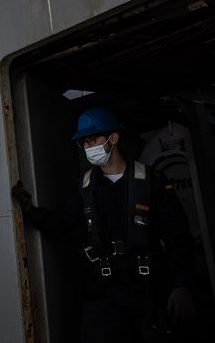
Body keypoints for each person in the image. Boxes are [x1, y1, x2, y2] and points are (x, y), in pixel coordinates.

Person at [12, 108, 195, 342]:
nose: (89, 147)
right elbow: (61, 223)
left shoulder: (152, 182)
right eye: (84, 142)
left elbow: (178, 237)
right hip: (104, 292)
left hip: (150, 289)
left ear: (113, 139)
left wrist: (182, 285)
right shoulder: (83, 188)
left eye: (93, 139)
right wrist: (29, 210)